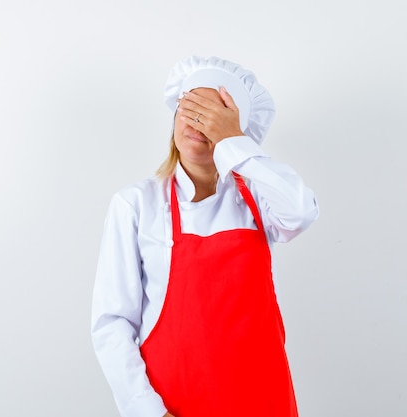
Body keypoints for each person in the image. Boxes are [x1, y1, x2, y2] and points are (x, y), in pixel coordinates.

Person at [91, 56, 319, 417]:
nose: (198, 121)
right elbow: (112, 323)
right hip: (174, 405)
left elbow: (301, 212)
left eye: (215, 114)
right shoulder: (136, 204)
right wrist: (149, 412)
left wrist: (233, 142)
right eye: (191, 107)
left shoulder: (256, 198)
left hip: (263, 399)